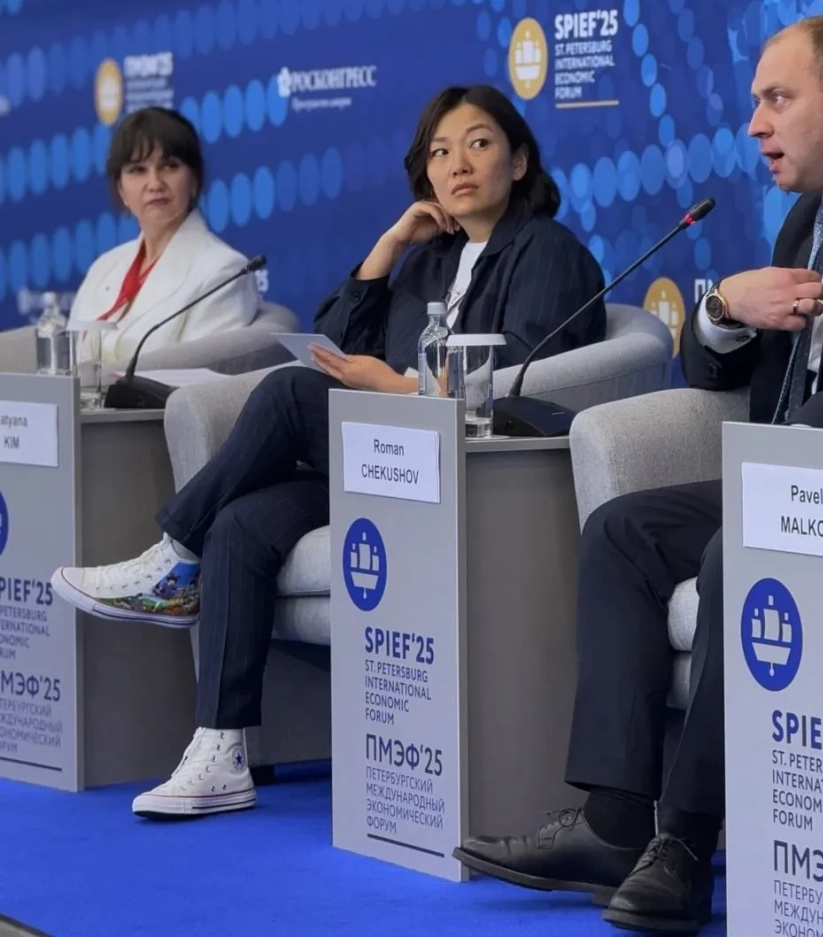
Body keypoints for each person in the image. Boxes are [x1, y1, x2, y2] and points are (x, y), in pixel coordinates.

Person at [50, 84, 607, 819]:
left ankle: (172, 555)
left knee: (289, 394)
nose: (458, 164)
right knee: (241, 524)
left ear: (520, 159)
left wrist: (400, 387)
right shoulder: (429, 259)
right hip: (383, 460)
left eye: (478, 144)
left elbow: (525, 373)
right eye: (440, 151)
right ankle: (220, 749)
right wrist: (390, 246)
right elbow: (338, 347)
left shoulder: (549, 251)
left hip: (465, 464)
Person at [454, 13, 823, 934]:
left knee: (731, 553)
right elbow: (715, 374)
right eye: (755, 100)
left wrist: (781, 471)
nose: (756, 123)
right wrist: (724, 309)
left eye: (778, 99)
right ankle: (614, 819)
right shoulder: (807, 221)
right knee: (623, 530)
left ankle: (688, 842)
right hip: (793, 487)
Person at [67, 106, 259, 364]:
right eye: (138, 170)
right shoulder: (104, 267)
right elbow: (70, 363)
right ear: (121, 190)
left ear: (194, 180)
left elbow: (203, 378)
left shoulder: (223, 271)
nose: (155, 183)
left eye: (169, 166)